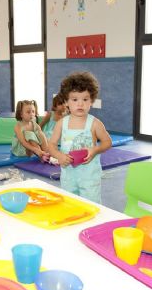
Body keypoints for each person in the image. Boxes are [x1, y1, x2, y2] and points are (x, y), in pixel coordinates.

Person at [47, 71, 112, 203]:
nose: (80, 104)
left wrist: (95, 150)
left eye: (85, 99)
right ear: (66, 101)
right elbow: (51, 145)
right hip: (68, 177)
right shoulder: (61, 124)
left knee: (91, 206)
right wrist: (59, 155)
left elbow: (107, 142)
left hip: (89, 178)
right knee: (70, 204)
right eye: (75, 99)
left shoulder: (94, 123)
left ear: (92, 101)